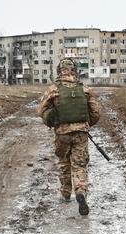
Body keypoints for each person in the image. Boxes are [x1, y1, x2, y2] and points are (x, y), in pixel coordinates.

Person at [37, 58, 100, 216]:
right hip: (81, 133)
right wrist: (85, 125)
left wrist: (53, 122)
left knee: (64, 162)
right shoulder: (85, 89)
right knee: (79, 164)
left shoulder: (53, 89)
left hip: (62, 133)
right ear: (75, 70)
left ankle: (65, 193)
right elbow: (96, 112)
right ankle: (80, 191)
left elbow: (41, 111)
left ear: (59, 70)